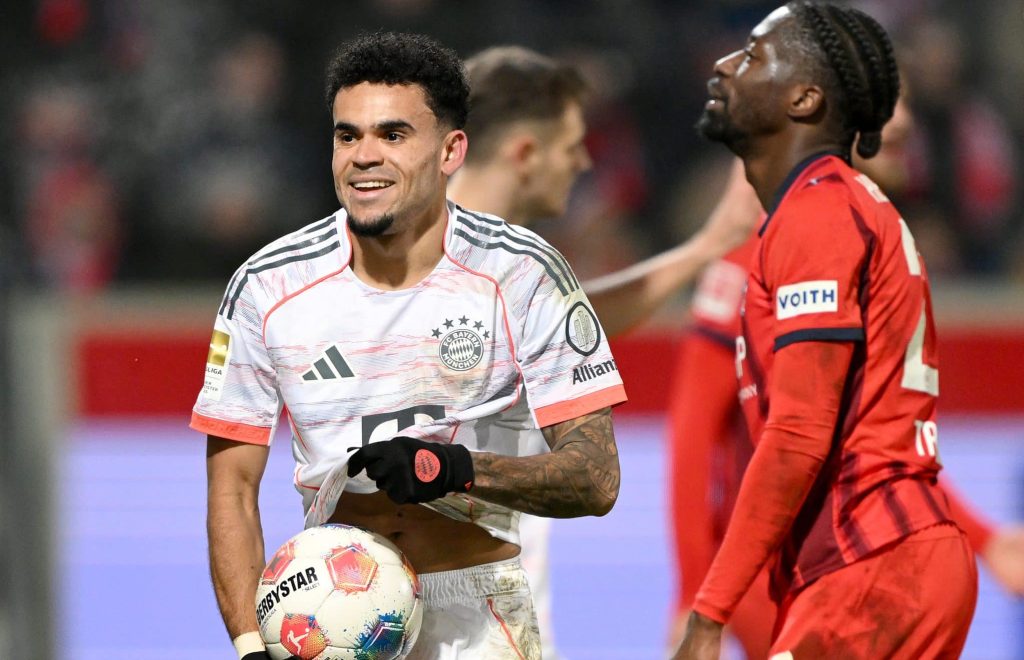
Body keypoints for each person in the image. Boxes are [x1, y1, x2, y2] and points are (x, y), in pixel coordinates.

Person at [192, 32, 629, 660]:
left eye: (392, 135)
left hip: (478, 619)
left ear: (452, 150)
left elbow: (596, 478)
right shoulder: (267, 285)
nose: (363, 156)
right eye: (348, 136)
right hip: (325, 624)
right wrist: (248, 646)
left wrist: (450, 469)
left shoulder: (524, 273)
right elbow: (231, 488)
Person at [667, 88, 1024, 656]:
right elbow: (693, 443)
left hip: (857, 564)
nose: (903, 119)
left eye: (908, 100)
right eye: (889, 100)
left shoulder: (871, 242)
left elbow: (880, 451)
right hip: (782, 574)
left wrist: (985, 539)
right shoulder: (753, 260)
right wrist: (694, 595)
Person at [447, 45, 761, 659]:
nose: (584, 161)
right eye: (571, 146)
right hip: (459, 626)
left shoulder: (482, 261)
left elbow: (565, 317)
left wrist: (706, 247)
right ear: (524, 155)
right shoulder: (440, 262)